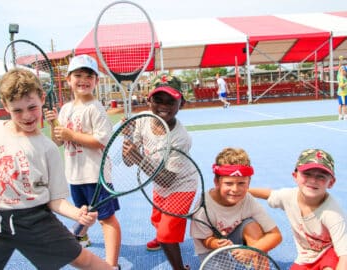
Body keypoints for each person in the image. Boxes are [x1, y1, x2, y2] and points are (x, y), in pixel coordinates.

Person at [0, 68, 112, 270]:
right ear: (4, 105)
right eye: (17, 110)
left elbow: (55, 199)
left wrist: (77, 215)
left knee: (86, 261)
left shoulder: (48, 148)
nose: (27, 115)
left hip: (34, 220)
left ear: (42, 99)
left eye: (32, 107)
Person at [44, 54, 121, 269]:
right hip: (75, 174)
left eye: (89, 76)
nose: (83, 80)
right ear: (68, 79)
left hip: (96, 176)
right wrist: (53, 125)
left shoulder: (96, 109)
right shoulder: (66, 109)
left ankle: (112, 265)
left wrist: (71, 135)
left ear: (96, 81)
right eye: (78, 75)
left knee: (107, 219)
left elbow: (100, 141)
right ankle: (81, 236)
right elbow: (58, 141)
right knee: (84, 211)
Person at [123, 73, 192, 270]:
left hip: (181, 185)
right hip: (157, 180)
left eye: (171, 101)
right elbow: (128, 161)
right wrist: (127, 137)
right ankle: (162, 237)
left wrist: (138, 158)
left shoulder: (181, 138)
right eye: (158, 99)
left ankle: (179, 267)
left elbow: (167, 181)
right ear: (148, 101)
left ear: (182, 104)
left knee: (166, 234)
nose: (164, 105)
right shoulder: (142, 121)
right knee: (157, 220)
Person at [249, 148, 347, 270]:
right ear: (295, 176)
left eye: (321, 176)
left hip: (331, 254)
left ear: (331, 183)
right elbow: (269, 194)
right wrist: (243, 191)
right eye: (307, 174)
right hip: (305, 259)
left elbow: (344, 256)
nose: (313, 180)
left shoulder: (333, 214)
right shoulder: (288, 197)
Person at [190, 147, 282, 263]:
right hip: (210, 247)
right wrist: (215, 243)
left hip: (234, 237)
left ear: (249, 183)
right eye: (229, 183)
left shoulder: (248, 200)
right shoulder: (203, 207)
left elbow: (275, 235)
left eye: (241, 183)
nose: (235, 189)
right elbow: (204, 240)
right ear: (216, 182)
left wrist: (252, 250)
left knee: (254, 231)